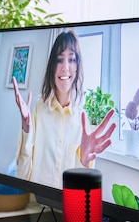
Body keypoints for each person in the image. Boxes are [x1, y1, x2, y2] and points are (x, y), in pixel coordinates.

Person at [11, 29, 116, 188]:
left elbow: (81, 189)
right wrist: (26, 129)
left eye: (71, 59)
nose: (65, 67)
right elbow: (23, 175)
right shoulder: (39, 108)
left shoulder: (82, 119)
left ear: (77, 66)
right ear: (52, 66)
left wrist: (84, 161)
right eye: (59, 60)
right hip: (38, 202)